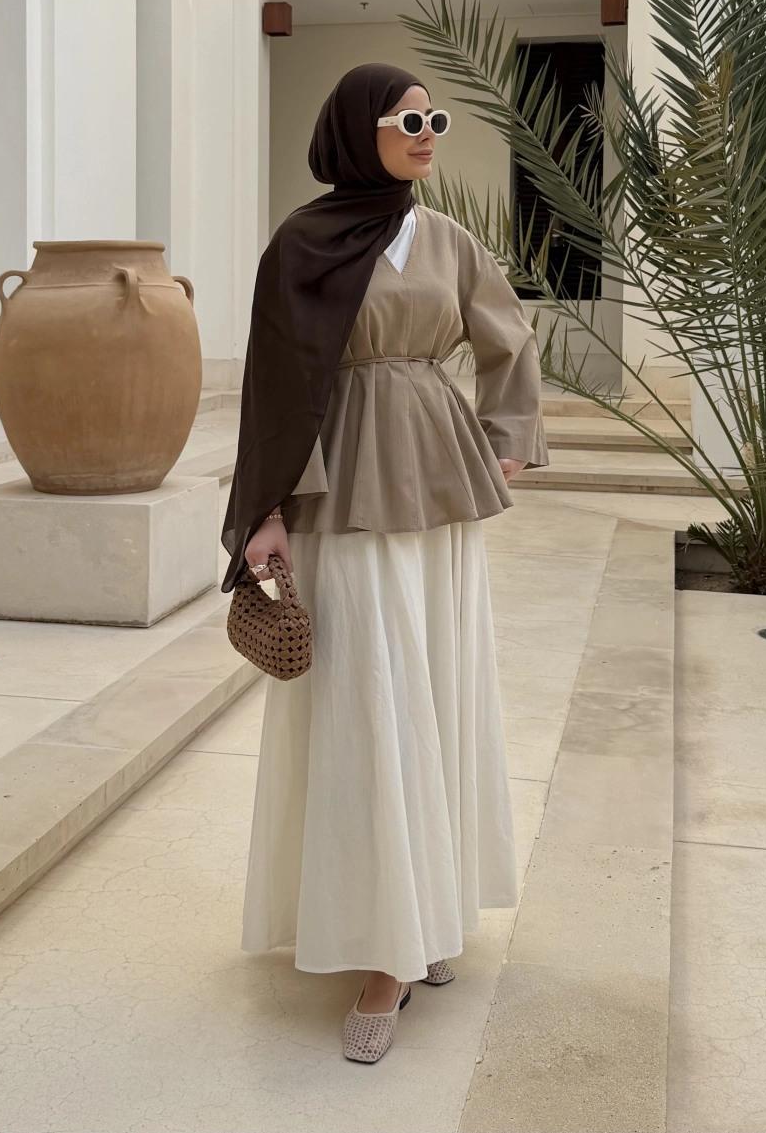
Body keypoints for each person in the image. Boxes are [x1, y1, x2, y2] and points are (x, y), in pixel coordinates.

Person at [222, 63, 547, 1063]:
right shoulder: (301, 243)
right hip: (340, 484)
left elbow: (507, 334)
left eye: (434, 118)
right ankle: (385, 941)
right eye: (407, 118)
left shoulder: (446, 239)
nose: (426, 131)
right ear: (355, 130)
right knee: (368, 700)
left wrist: (504, 433)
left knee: (433, 691)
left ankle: (421, 920)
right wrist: (262, 510)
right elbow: (273, 382)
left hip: (436, 488)